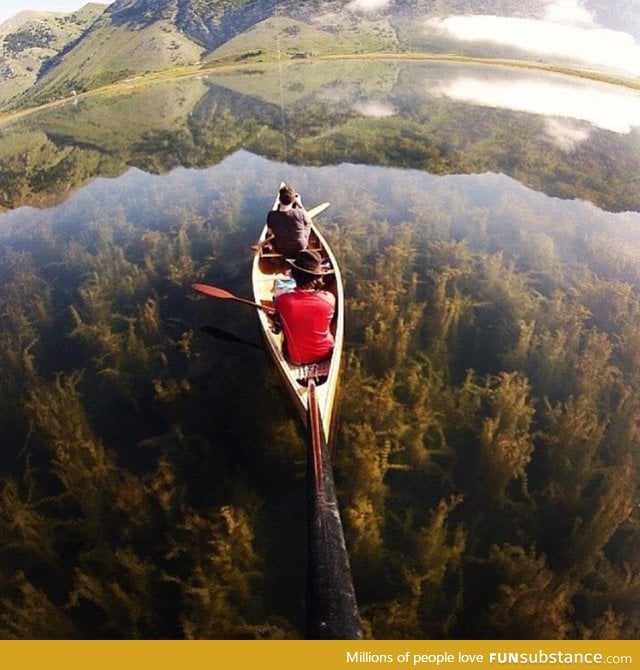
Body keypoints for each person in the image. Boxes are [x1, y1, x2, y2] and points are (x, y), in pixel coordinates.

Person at [275, 249, 336, 365]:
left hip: (297, 359)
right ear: (317, 276)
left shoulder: (282, 300)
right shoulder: (330, 298)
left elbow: (278, 307)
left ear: (294, 275)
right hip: (327, 353)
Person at [266, 184, 312, 258]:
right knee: (308, 225)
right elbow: (308, 222)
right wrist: (300, 204)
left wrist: (269, 242)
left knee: (269, 236)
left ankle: (273, 251)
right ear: (293, 200)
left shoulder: (271, 215)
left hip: (282, 250)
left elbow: (270, 233)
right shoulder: (300, 212)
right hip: (301, 248)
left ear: (279, 200)